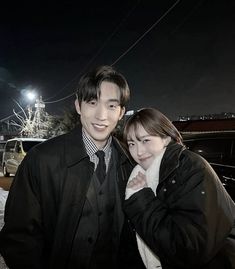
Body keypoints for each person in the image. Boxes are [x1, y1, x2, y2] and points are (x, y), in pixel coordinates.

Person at [0, 65, 145, 269]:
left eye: (112, 106)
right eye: (92, 102)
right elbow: (19, 238)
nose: (101, 115)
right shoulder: (41, 160)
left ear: (121, 112)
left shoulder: (130, 164)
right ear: (78, 106)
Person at [122, 108, 235, 269]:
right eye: (132, 144)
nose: (138, 152)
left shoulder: (190, 168)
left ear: (166, 138)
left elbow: (188, 249)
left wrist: (142, 200)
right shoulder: (142, 175)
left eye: (145, 140)